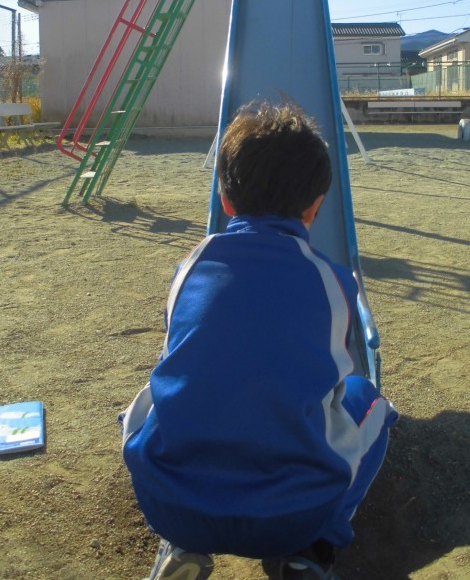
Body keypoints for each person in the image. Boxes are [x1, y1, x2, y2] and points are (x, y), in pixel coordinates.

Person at [121, 100, 398, 580]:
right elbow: (333, 375)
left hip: (170, 504)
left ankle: (180, 545)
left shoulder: (190, 266)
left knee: (158, 391)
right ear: (315, 207)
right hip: (291, 517)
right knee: (368, 399)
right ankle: (312, 552)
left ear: (225, 201)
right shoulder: (332, 281)